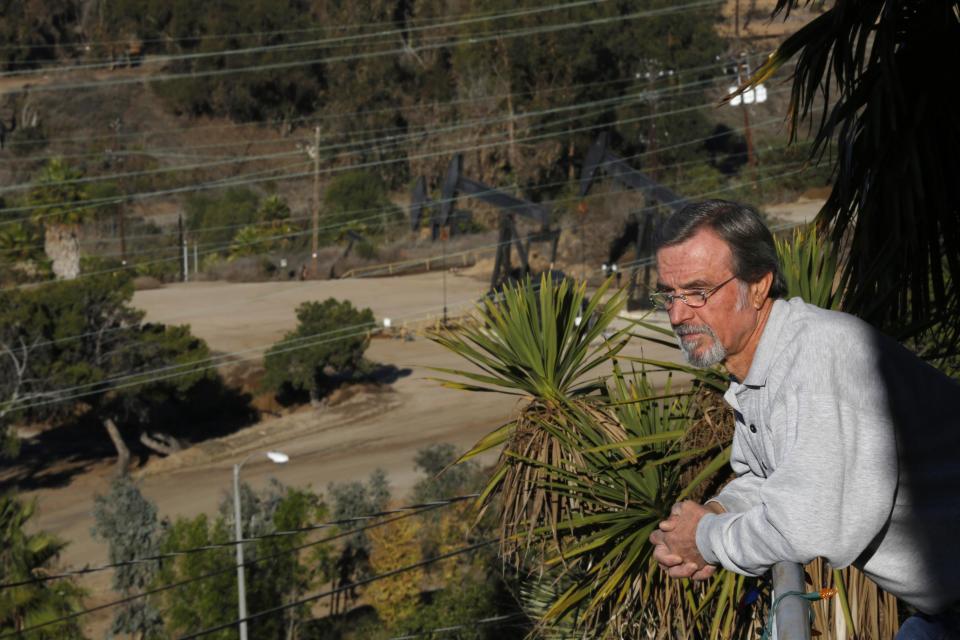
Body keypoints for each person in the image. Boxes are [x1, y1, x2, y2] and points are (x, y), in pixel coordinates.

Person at [645, 199, 960, 638]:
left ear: (758, 286)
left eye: (698, 292)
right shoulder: (760, 374)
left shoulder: (818, 357)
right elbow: (771, 478)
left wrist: (705, 540)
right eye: (668, 294)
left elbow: (809, 522)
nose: (677, 315)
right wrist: (716, 510)